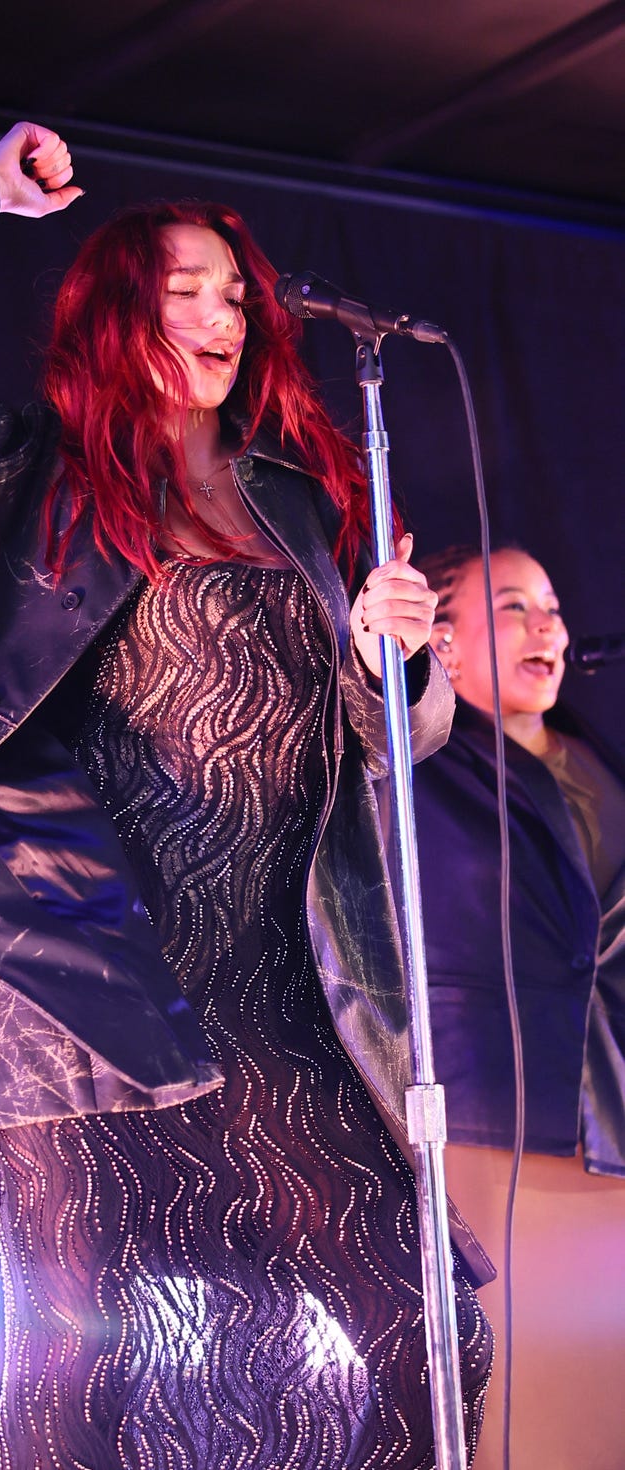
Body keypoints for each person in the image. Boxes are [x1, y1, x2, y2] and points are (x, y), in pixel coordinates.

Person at [0, 121, 492, 1469]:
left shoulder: (301, 506)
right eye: (185, 288)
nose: (220, 314)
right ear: (115, 313)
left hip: (264, 988)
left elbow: (392, 740)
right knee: (83, 1359)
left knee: (424, 1318)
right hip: (70, 986)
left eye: (235, 292)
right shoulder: (13, 476)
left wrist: (402, 653)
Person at [413, 544, 625, 1470]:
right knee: (517, 1397)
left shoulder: (595, 760)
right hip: (495, 1110)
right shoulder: (419, 761)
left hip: (610, 1108)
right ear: (444, 646)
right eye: (511, 606)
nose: (548, 626)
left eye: (550, 607)